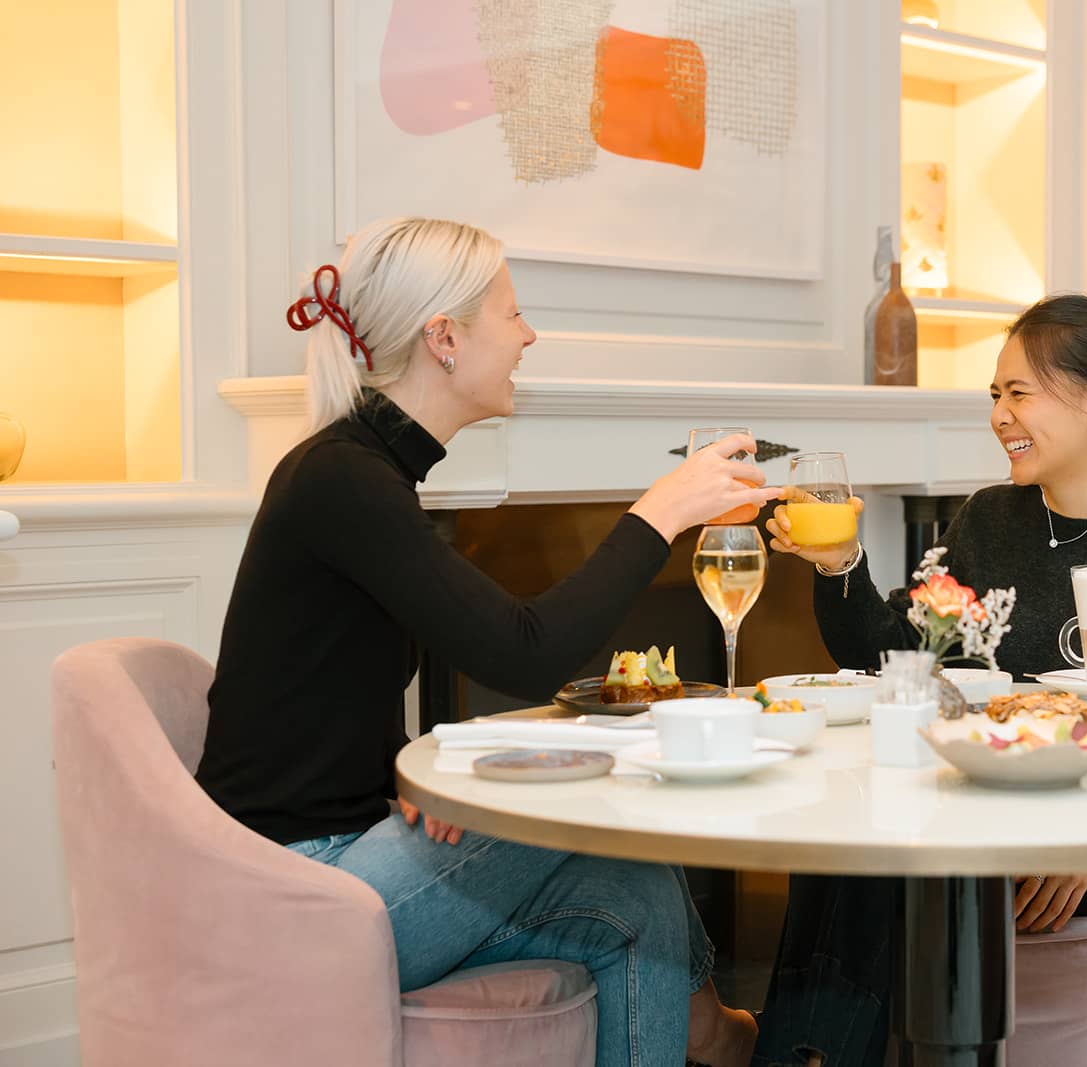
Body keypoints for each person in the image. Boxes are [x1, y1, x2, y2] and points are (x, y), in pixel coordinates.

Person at [196, 216, 774, 1067]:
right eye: (511, 313)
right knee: (593, 786)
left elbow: (315, 689)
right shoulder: (339, 477)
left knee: (636, 888)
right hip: (296, 893)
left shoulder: (363, 475)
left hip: (341, 855)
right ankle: (725, 1037)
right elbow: (525, 652)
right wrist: (663, 510)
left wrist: (407, 775)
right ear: (444, 339)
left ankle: (716, 1036)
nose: (528, 334)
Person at [754, 293, 1087, 1066]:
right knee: (845, 830)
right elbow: (898, 660)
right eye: (995, 394)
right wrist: (838, 561)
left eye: (1019, 392)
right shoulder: (990, 519)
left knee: (878, 855)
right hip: (972, 812)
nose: (999, 415)